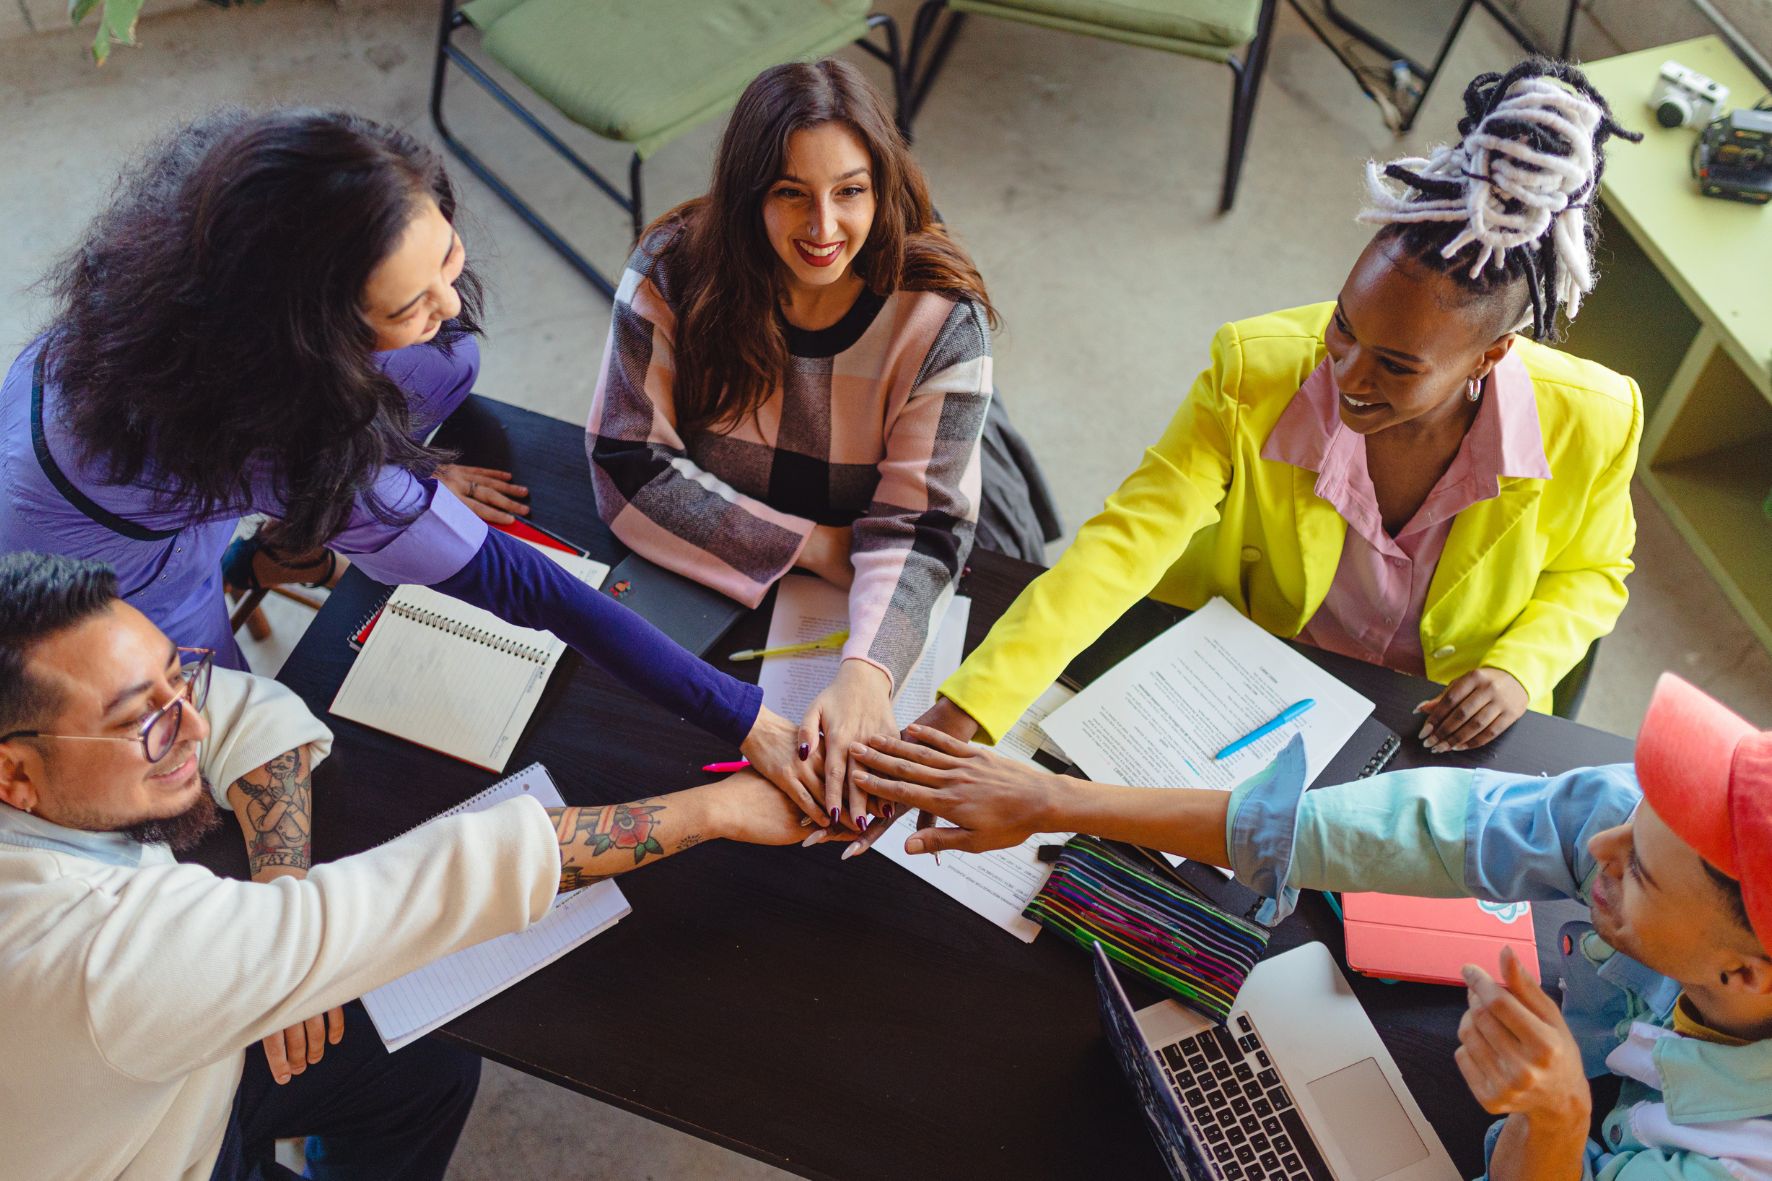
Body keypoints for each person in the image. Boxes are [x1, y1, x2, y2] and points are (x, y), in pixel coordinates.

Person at [0, 107, 821, 813]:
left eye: (447, 255)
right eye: (407, 302)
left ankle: (278, 549)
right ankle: (266, 564)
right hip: (104, 564)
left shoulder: (222, 209)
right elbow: (527, 585)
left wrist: (403, 475)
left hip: (112, 426)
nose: (451, 301)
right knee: (223, 733)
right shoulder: (277, 429)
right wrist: (750, 717)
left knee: (445, 359)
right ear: (313, 340)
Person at [0, 552, 829, 1181]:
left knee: (426, 1058)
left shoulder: (58, 759)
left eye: (179, 678)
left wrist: (282, 890)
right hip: (145, 1152)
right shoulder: (91, 957)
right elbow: (431, 882)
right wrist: (714, 809)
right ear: (15, 775)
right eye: (141, 723)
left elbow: (243, 708)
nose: (189, 726)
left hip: (163, 1072)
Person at [916, 60, 1645, 757]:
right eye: (1344, 327)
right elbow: (1124, 543)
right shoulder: (1253, 370)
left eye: (1396, 365)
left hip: (1433, 730)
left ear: (1490, 358)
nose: (1347, 374)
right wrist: (973, 704)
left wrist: (1521, 666)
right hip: (1240, 693)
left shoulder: (1595, 420)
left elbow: (1593, 571)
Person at [848, 675, 1772, 1179]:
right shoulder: (1667, 841)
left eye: (1634, 868)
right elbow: (1428, 827)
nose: (1597, 843)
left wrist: (1561, 1116)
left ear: (1742, 977)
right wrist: (1059, 798)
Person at [586, 58, 1051, 831]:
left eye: (850, 191)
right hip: (763, 563)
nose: (824, 229)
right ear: (746, 194)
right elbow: (626, 469)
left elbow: (923, 528)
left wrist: (868, 676)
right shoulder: (672, 269)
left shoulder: (940, 314)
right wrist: (815, 547)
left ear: (883, 185)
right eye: (789, 193)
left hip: (894, 530)